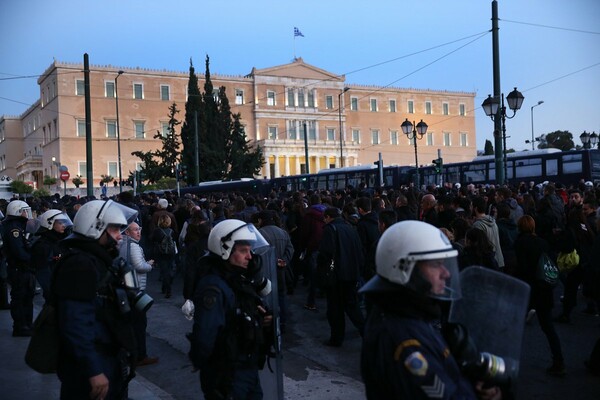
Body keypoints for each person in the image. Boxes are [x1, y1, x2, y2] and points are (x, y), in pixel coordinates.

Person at [360, 220, 503, 399]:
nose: (446, 273)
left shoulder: (405, 312)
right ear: (406, 270)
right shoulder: (406, 345)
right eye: (436, 264)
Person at [53, 199, 139, 399]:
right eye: (115, 229)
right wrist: (93, 370)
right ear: (96, 228)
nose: (120, 236)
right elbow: (76, 323)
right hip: (92, 364)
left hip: (106, 358)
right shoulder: (80, 265)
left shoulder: (97, 261)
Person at [188, 219, 273, 400]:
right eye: (243, 251)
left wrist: (261, 319)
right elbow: (205, 333)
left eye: (250, 250)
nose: (250, 257)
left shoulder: (237, 280)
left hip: (246, 368)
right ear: (225, 251)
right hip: (228, 374)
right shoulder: (213, 287)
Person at [514, 215, 566, 376]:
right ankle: (559, 360)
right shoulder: (542, 242)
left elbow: (521, 268)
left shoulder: (520, 243)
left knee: (511, 325)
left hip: (527, 289)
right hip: (543, 290)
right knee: (548, 327)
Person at [317, 207, 365, 347]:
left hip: (336, 276)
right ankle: (367, 333)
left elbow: (326, 253)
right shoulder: (350, 228)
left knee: (335, 309)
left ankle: (336, 338)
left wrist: (321, 267)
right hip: (352, 274)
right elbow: (359, 251)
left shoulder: (330, 229)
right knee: (353, 307)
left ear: (327, 217)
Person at [120, 221, 158, 367]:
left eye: (139, 229)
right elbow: (139, 266)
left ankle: (133, 353)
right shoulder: (133, 246)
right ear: (127, 232)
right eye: (135, 230)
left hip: (129, 288)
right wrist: (149, 264)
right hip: (135, 289)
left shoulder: (123, 245)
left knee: (133, 323)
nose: (139, 232)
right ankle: (140, 355)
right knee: (139, 324)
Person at [1, 200, 35, 336]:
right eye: (24, 211)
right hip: (19, 268)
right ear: (17, 211)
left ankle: (26, 324)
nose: (27, 213)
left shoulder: (17, 225)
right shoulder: (14, 228)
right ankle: (21, 326)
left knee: (26, 297)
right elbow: (18, 251)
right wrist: (30, 258)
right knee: (20, 298)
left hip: (21, 268)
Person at [30, 209, 72, 304]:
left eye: (65, 222)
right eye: (60, 223)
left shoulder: (61, 241)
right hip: (55, 292)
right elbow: (43, 272)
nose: (64, 225)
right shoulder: (42, 246)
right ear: (50, 223)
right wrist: (52, 291)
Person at [152, 214, 177, 298]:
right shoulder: (172, 231)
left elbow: (152, 240)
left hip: (160, 252)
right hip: (171, 252)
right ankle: (166, 285)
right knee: (169, 268)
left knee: (164, 270)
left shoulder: (157, 231)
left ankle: (167, 289)